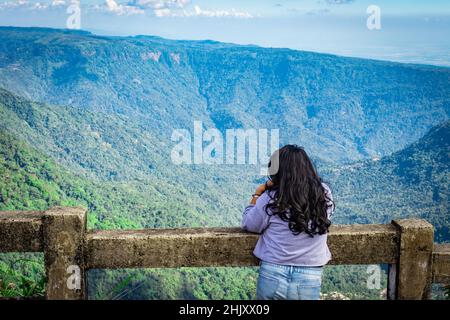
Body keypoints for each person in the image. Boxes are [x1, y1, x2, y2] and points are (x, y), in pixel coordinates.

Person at [242, 145, 334, 300]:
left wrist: (257, 194)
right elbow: (326, 217)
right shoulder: (323, 194)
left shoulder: (271, 198)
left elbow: (249, 224)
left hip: (273, 271)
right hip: (310, 273)